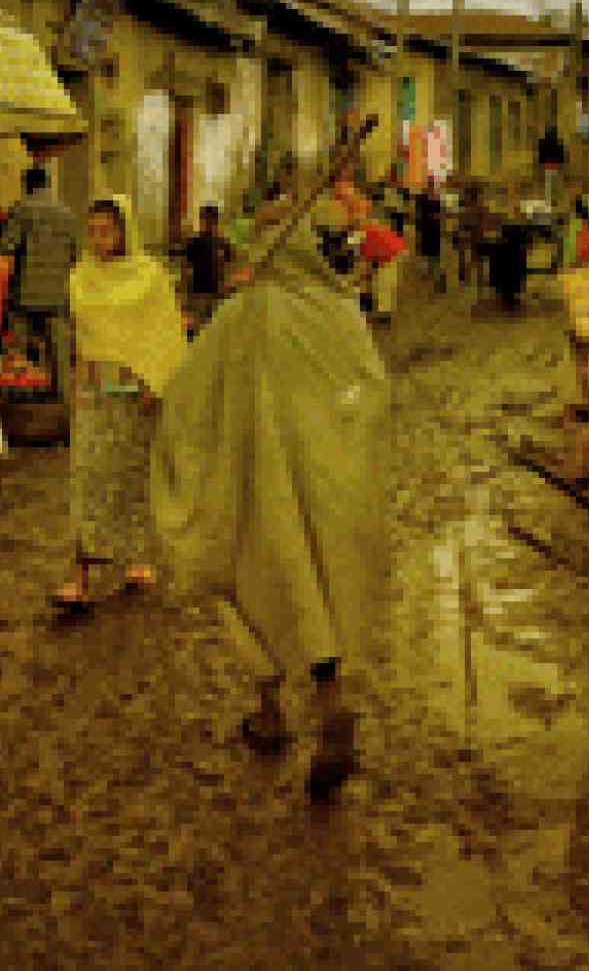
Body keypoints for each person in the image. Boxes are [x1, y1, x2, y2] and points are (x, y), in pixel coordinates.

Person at [151, 190, 392, 802]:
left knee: (249, 585)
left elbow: (187, 391)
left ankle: (279, 709)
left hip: (258, 488)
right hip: (329, 489)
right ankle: (321, 701)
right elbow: (370, 392)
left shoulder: (244, 315)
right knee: (318, 591)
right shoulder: (340, 312)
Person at [56, 196, 186, 610]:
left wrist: (156, 380)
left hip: (137, 395)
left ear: (124, 230)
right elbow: (83, 335)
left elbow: (163, 332)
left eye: (105, 230)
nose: (97, 239)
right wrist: (75, 380)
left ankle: (138, 557)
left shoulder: (150, 277)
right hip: (94, 392)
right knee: (88, 478)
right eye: (91, 230)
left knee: (133, 477)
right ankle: (80, 575)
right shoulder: (80, 277)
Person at [0, 166, 79, 389]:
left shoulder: (22, 209)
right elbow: (76, 256)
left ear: (26, 185)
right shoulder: (67, 213)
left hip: (25, 298)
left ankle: (22, 402)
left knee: (20, 356)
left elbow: (6, 248)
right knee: (60, 358)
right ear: (48, 184)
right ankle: (63, 405)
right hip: (58, 298)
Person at [180, 204, 235, 334]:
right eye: (205, 219)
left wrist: (227, 290)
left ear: (216, 221)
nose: (208, 224)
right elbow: (185, 271)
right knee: (198, 332)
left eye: (211, 220)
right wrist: (185, 302)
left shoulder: (224, 244)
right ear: (201, 220)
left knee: (215, 332)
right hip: (197, 296)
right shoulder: (193, 243)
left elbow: (229, 268)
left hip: (217, 295)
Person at [412, 182, 446, 296]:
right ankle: (432, 275)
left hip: (432, 231)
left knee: (434, 257)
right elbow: (417, 217)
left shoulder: (435, 199)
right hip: (427, 230)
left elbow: (419, 216)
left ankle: (438, 281)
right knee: (430, 256)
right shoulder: (424, 198)